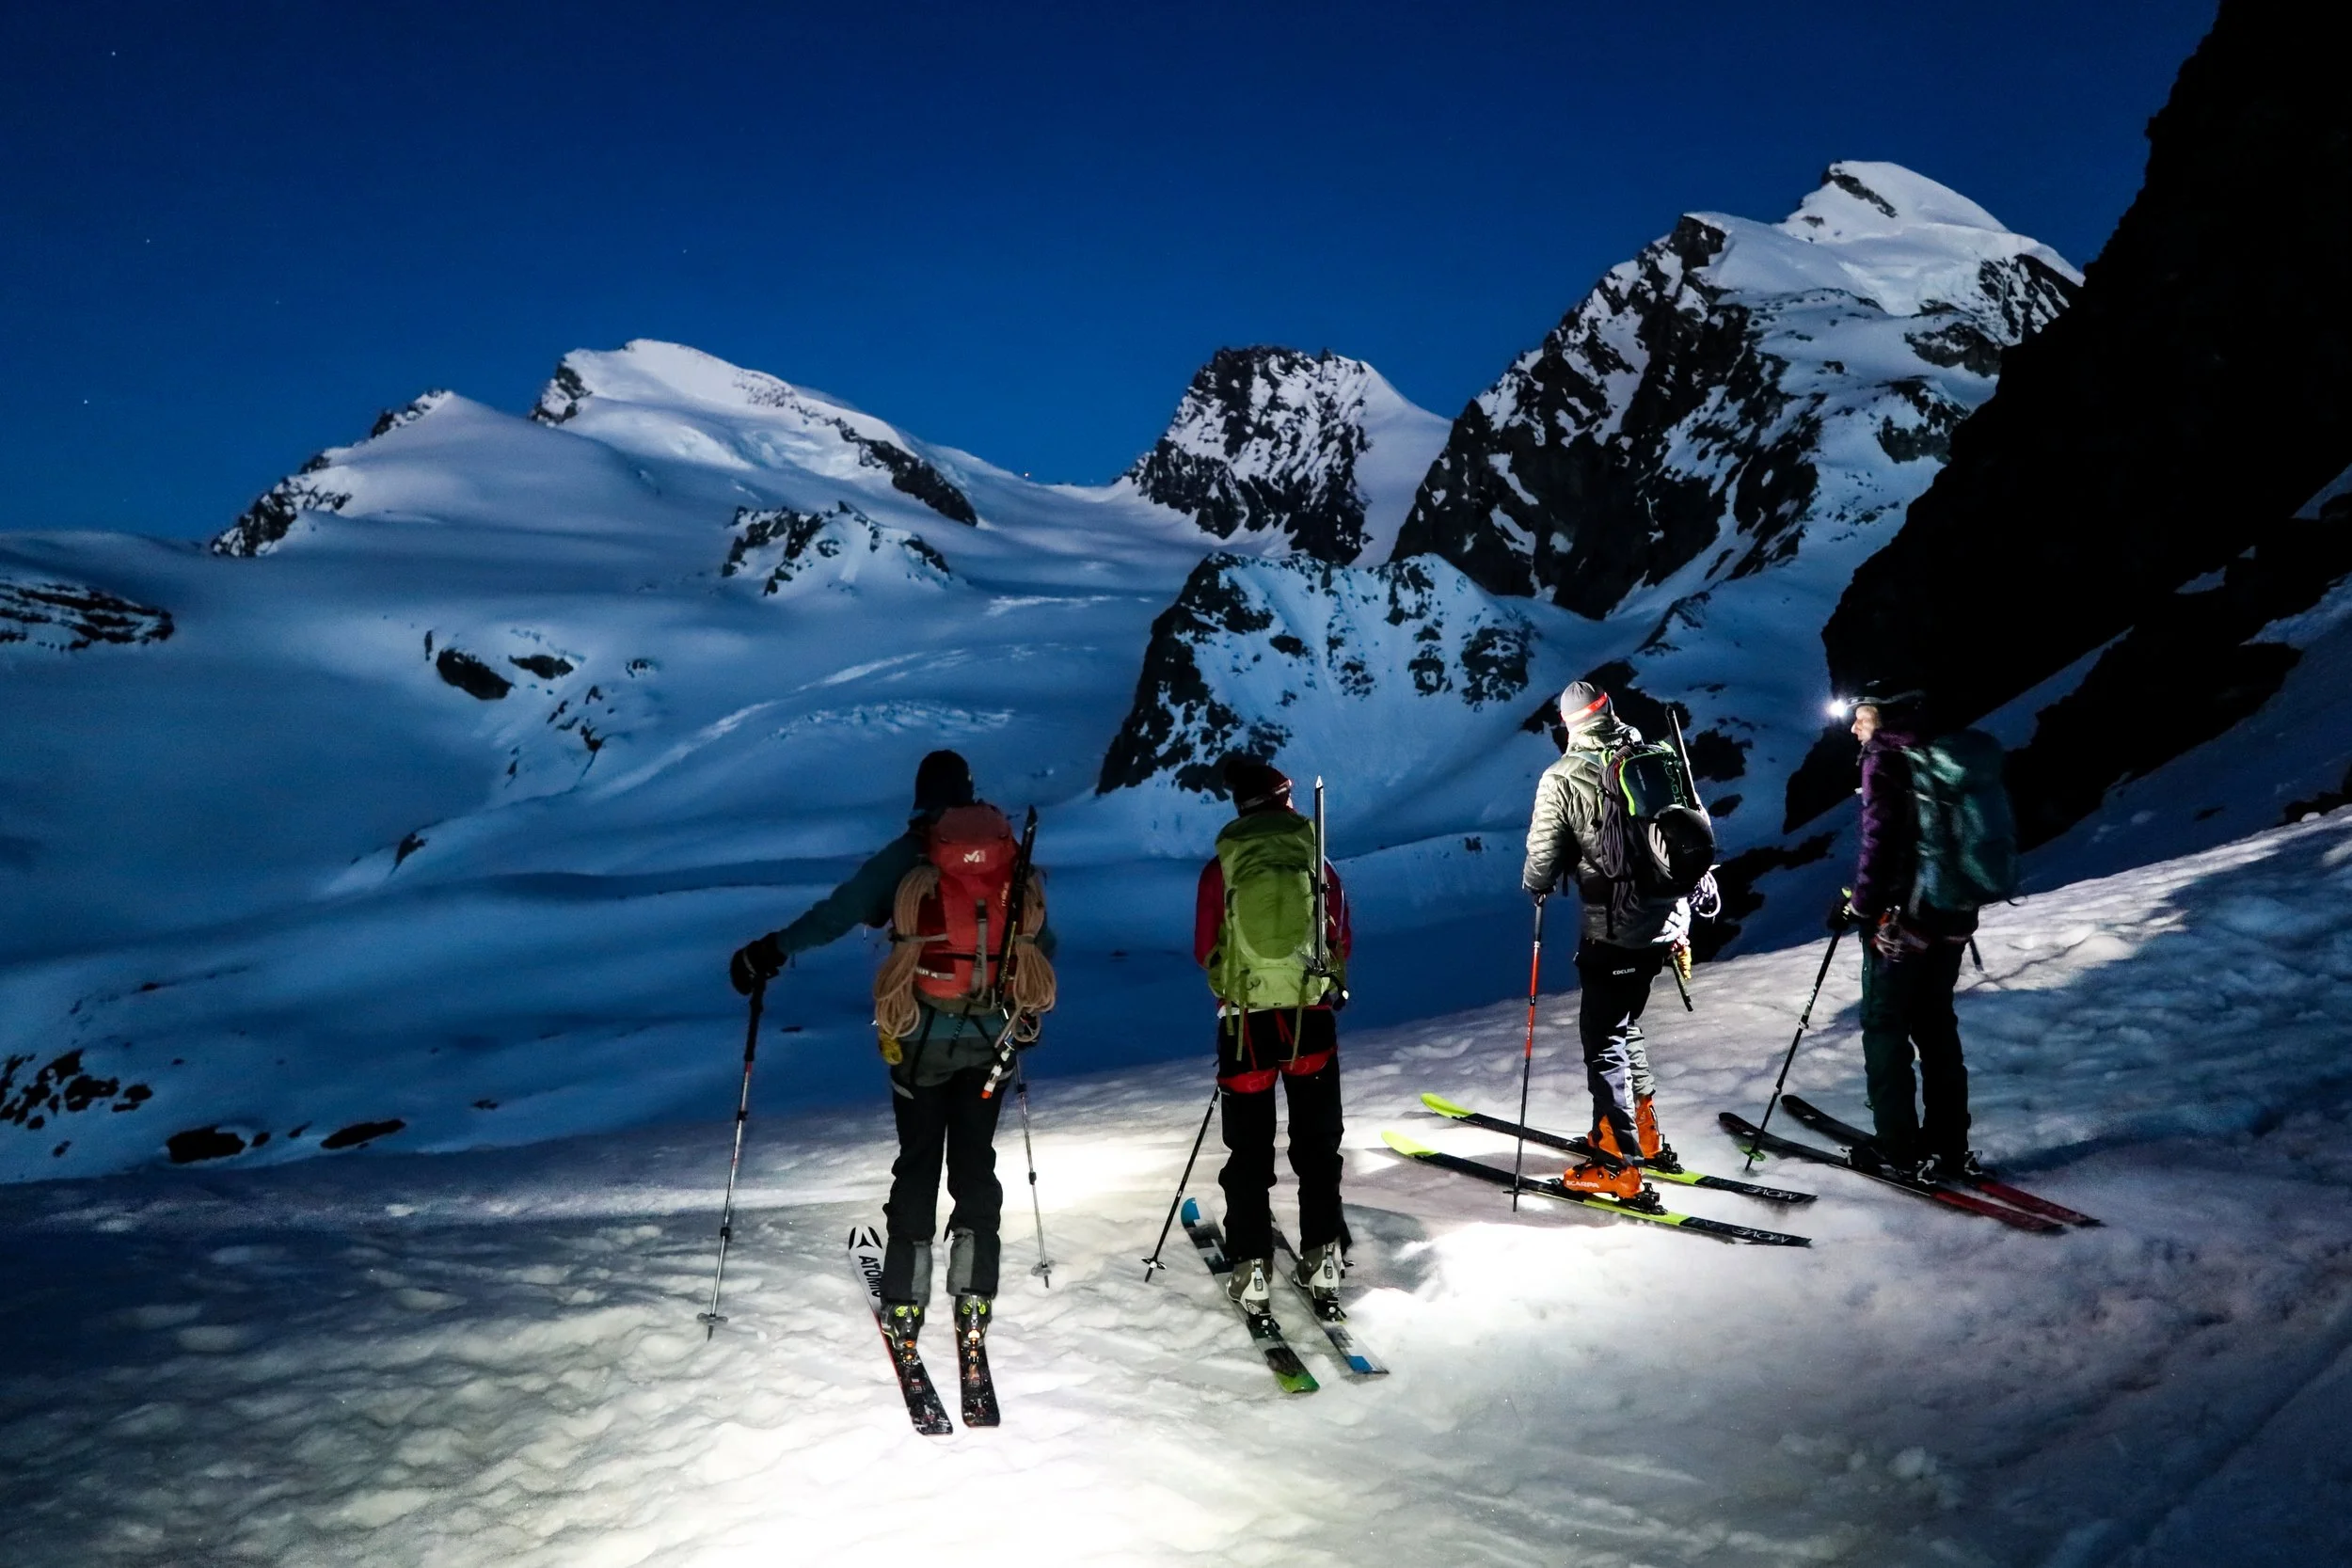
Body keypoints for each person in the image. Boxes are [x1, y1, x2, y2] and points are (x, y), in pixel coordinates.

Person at [729, 749, 1053, 1353]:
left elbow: (836, 915)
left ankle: (905, 1298)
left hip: (919, 1040)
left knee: (920, 1156)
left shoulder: (909, 857)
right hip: (992, 1041)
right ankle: (975, 1290)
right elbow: (1040, 944)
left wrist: (768, 951)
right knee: (976, 1157)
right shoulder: (1012, 859)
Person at [1520, 680, 1692, 1200]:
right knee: (1624, 1024)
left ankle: (1619, 1164)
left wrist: (1535, 882)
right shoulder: (1653, 755)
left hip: (1616, 928)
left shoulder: (1565, 775)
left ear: (1570, 724)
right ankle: (1640, 1134)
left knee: (1604, 1042)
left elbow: (1542, 859)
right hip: (1669, 920)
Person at [1196, 755, 1352, 1312]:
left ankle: (1252, 1264)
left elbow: (1204, 947)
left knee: (1249, 1149)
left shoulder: (1224, 867)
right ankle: (1324, 1256)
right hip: (1310, 1020)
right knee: (1317, 1144)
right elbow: (1341, 933)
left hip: (1245, 1026)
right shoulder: (1315, 857)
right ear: (1285, 799)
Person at [1828, 689, 1979, 1180]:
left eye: (1861, 716)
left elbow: (1879, 839)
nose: (1855, 727)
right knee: (1936, 1025)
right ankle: (1950, 1145)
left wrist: (1860, 907)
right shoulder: (1944, 748)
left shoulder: (1885, 757)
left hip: (1901, 923)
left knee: (1886, 1026)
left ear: (1884, 716)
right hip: (1954, 914)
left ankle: (1898, 1147)